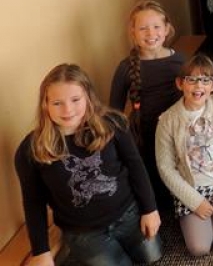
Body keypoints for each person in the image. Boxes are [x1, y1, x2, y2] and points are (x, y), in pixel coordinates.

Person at [16, 63, 162, 266]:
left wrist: (150, 209)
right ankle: (73, 249)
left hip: (128, 213)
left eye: (75, 100)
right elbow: (33, 201)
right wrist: (40, 250)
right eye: (57, 103)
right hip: (83, 232)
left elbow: (136, 166)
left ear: (88, 97)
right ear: (45, 104)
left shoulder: (113, 123)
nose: (68, 110)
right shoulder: (30, 149)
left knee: (152, 256)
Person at [155, 54, 213, 257]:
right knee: (199, 248)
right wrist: (195, 202)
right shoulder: (167, 121)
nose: (198, 86)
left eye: (205, 80)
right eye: (192, 79)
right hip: (191, 188)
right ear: (180, 83)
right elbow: (165, 167)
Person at [109, 0, 183, 205]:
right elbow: (113, 113)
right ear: (133, 32)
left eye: (156, 26)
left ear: (167, 29)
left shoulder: (180, 61)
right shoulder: (125, 68)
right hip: (144, 138)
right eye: (143, 28)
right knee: (155, 193)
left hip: (178, 135)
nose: (151, 33)